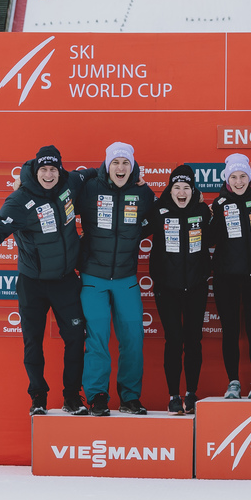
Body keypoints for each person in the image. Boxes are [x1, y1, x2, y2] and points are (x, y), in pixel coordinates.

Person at [0, 145, 90, 416]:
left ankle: (71, 397)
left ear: (60, 170)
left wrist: (132, 177)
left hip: (66, 281)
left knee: (76, 338)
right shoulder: (20, 199)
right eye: (44, 169)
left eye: (53, 169)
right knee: (33, 342)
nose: (49, 175)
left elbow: (93, 174)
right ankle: (38, 397)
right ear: (36, 170)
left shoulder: (70, 183)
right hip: (33, 283)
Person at [76, 142, 155, 416]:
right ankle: (97, 396)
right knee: (97, 339)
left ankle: (130, 397)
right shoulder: (89, 188)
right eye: (115, 162)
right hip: (93, 277)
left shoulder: (143, 192)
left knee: (133, 338)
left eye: (125, 163)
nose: (120, 168)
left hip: (126, 278)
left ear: (132, 166)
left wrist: (135, 234)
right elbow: (57, 194)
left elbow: (158, 218)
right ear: (107, 165)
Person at [146, 165, 212, 415]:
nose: (181, 192)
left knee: (194, 340)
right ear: (170, 189)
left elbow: (218, 236)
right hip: (167, 288)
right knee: (174, 340)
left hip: (196, 286)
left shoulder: (202, 211)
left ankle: (191, 394)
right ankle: (173, 396)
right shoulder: (158, 211)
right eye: (177, 187)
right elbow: (134, 230)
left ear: (193, 190)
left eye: (186, 187)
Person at [208, 153, 251, 399]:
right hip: (226, 277)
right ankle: (233, 382)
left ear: (250, 176)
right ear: (227, 179)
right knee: (230, 330)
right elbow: (210, 239)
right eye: (233, 177)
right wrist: (213, 217)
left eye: (243, 176)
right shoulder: (220, 202)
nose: (239, 181)